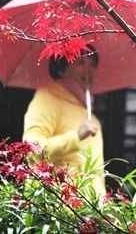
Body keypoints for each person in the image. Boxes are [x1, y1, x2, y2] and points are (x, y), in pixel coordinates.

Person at [23, 45, 106, 197]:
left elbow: (97, 174)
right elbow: (31, 150)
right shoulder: (47, 99)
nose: (89, 70)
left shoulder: (92, 120)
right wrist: (75, 137)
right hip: (53, 207)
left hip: (87, 213)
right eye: (81, 62)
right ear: (61, 68)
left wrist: (103, 209)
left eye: (92, 64)